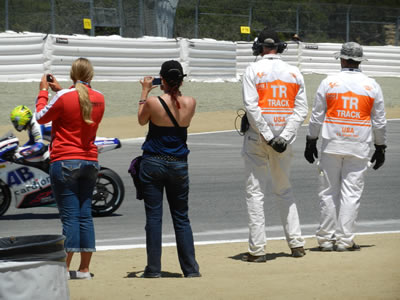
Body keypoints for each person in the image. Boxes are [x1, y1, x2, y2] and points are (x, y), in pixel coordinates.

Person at [304, 42, 387, 252]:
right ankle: (344, 241)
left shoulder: (329, 82)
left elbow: (316, 115)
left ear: (341, 59)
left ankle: (324, 240)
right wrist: (380, 146)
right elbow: (379, 121)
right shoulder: (372, 85)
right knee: (351, 194)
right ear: (359, 61)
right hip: (359, 146)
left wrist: (311, 140)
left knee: (328, 192)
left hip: (331, 144)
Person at [241, 29, 308, 262]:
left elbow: (251, 107)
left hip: (257, 139)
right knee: (284, 189)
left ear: (260, 47)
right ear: (279, 47)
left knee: (255, 193)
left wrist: (269, 136)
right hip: (284, 141)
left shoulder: (252, 70)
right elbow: (301, 110)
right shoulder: (294, 72)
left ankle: (258, 250)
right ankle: (297, 244)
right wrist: (284, 136)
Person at [35, 58, 105, 279]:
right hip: (90, 160)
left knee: (70, 217)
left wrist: (44, 92)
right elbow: (79, 102)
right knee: (85, 216)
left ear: (72, 74)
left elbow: (40, 117)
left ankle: (64, 269)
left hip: (65, 160)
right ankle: (84, 269)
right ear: (91, 75)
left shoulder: (64, 97)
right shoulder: (100, 98)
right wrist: (61, 91)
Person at [137, 60, 201, 278]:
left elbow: (141, 120)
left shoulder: (154, 102)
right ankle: (190, 269)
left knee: (154, 218)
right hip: (179, 164)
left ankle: (153, 269)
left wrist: (144, 92)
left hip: (154, 161)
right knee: (181, 217)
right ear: (181, 80)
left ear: (162, 80)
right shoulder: (190, 102)